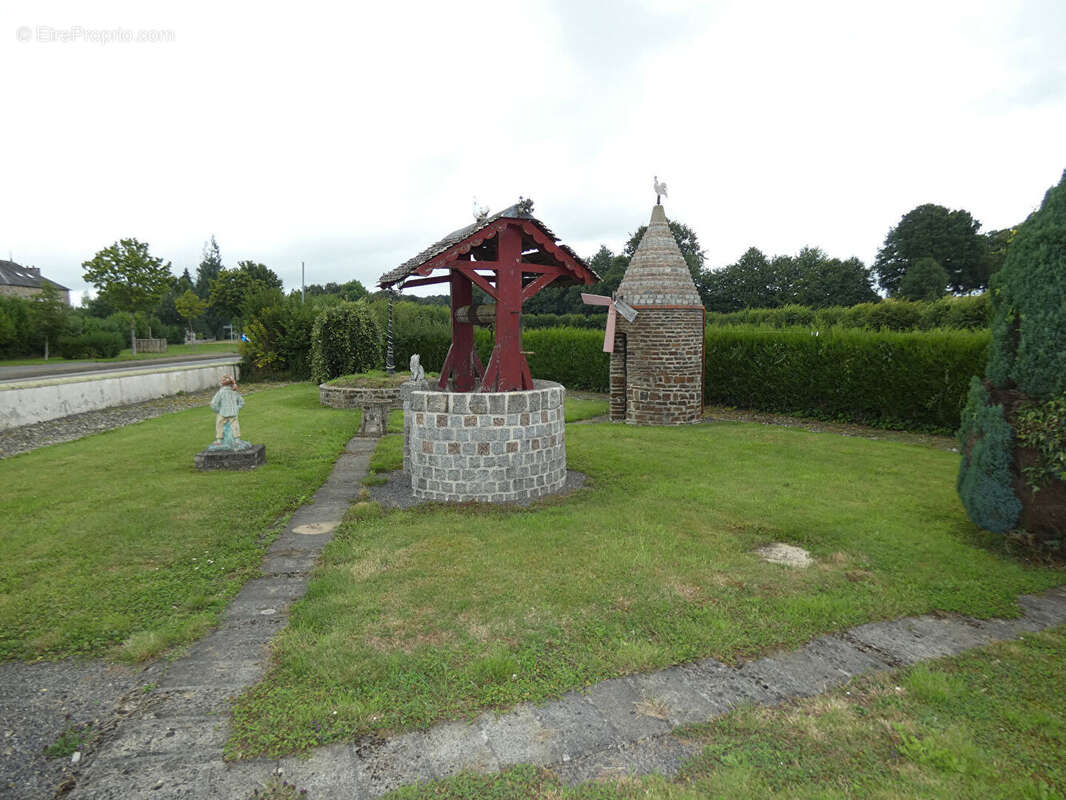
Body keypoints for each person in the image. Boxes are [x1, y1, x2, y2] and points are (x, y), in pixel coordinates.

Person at [210, 374, 244, 444]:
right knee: (235, 426)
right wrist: (237, 408)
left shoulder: (220, 392)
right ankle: (237, 440)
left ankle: (219, 440)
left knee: (219, 425)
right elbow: (242, 402)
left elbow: (213, 403)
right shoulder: (234, 392)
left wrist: (218, 410)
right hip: (233, 412)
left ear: (222, 384)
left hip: (222, 413)